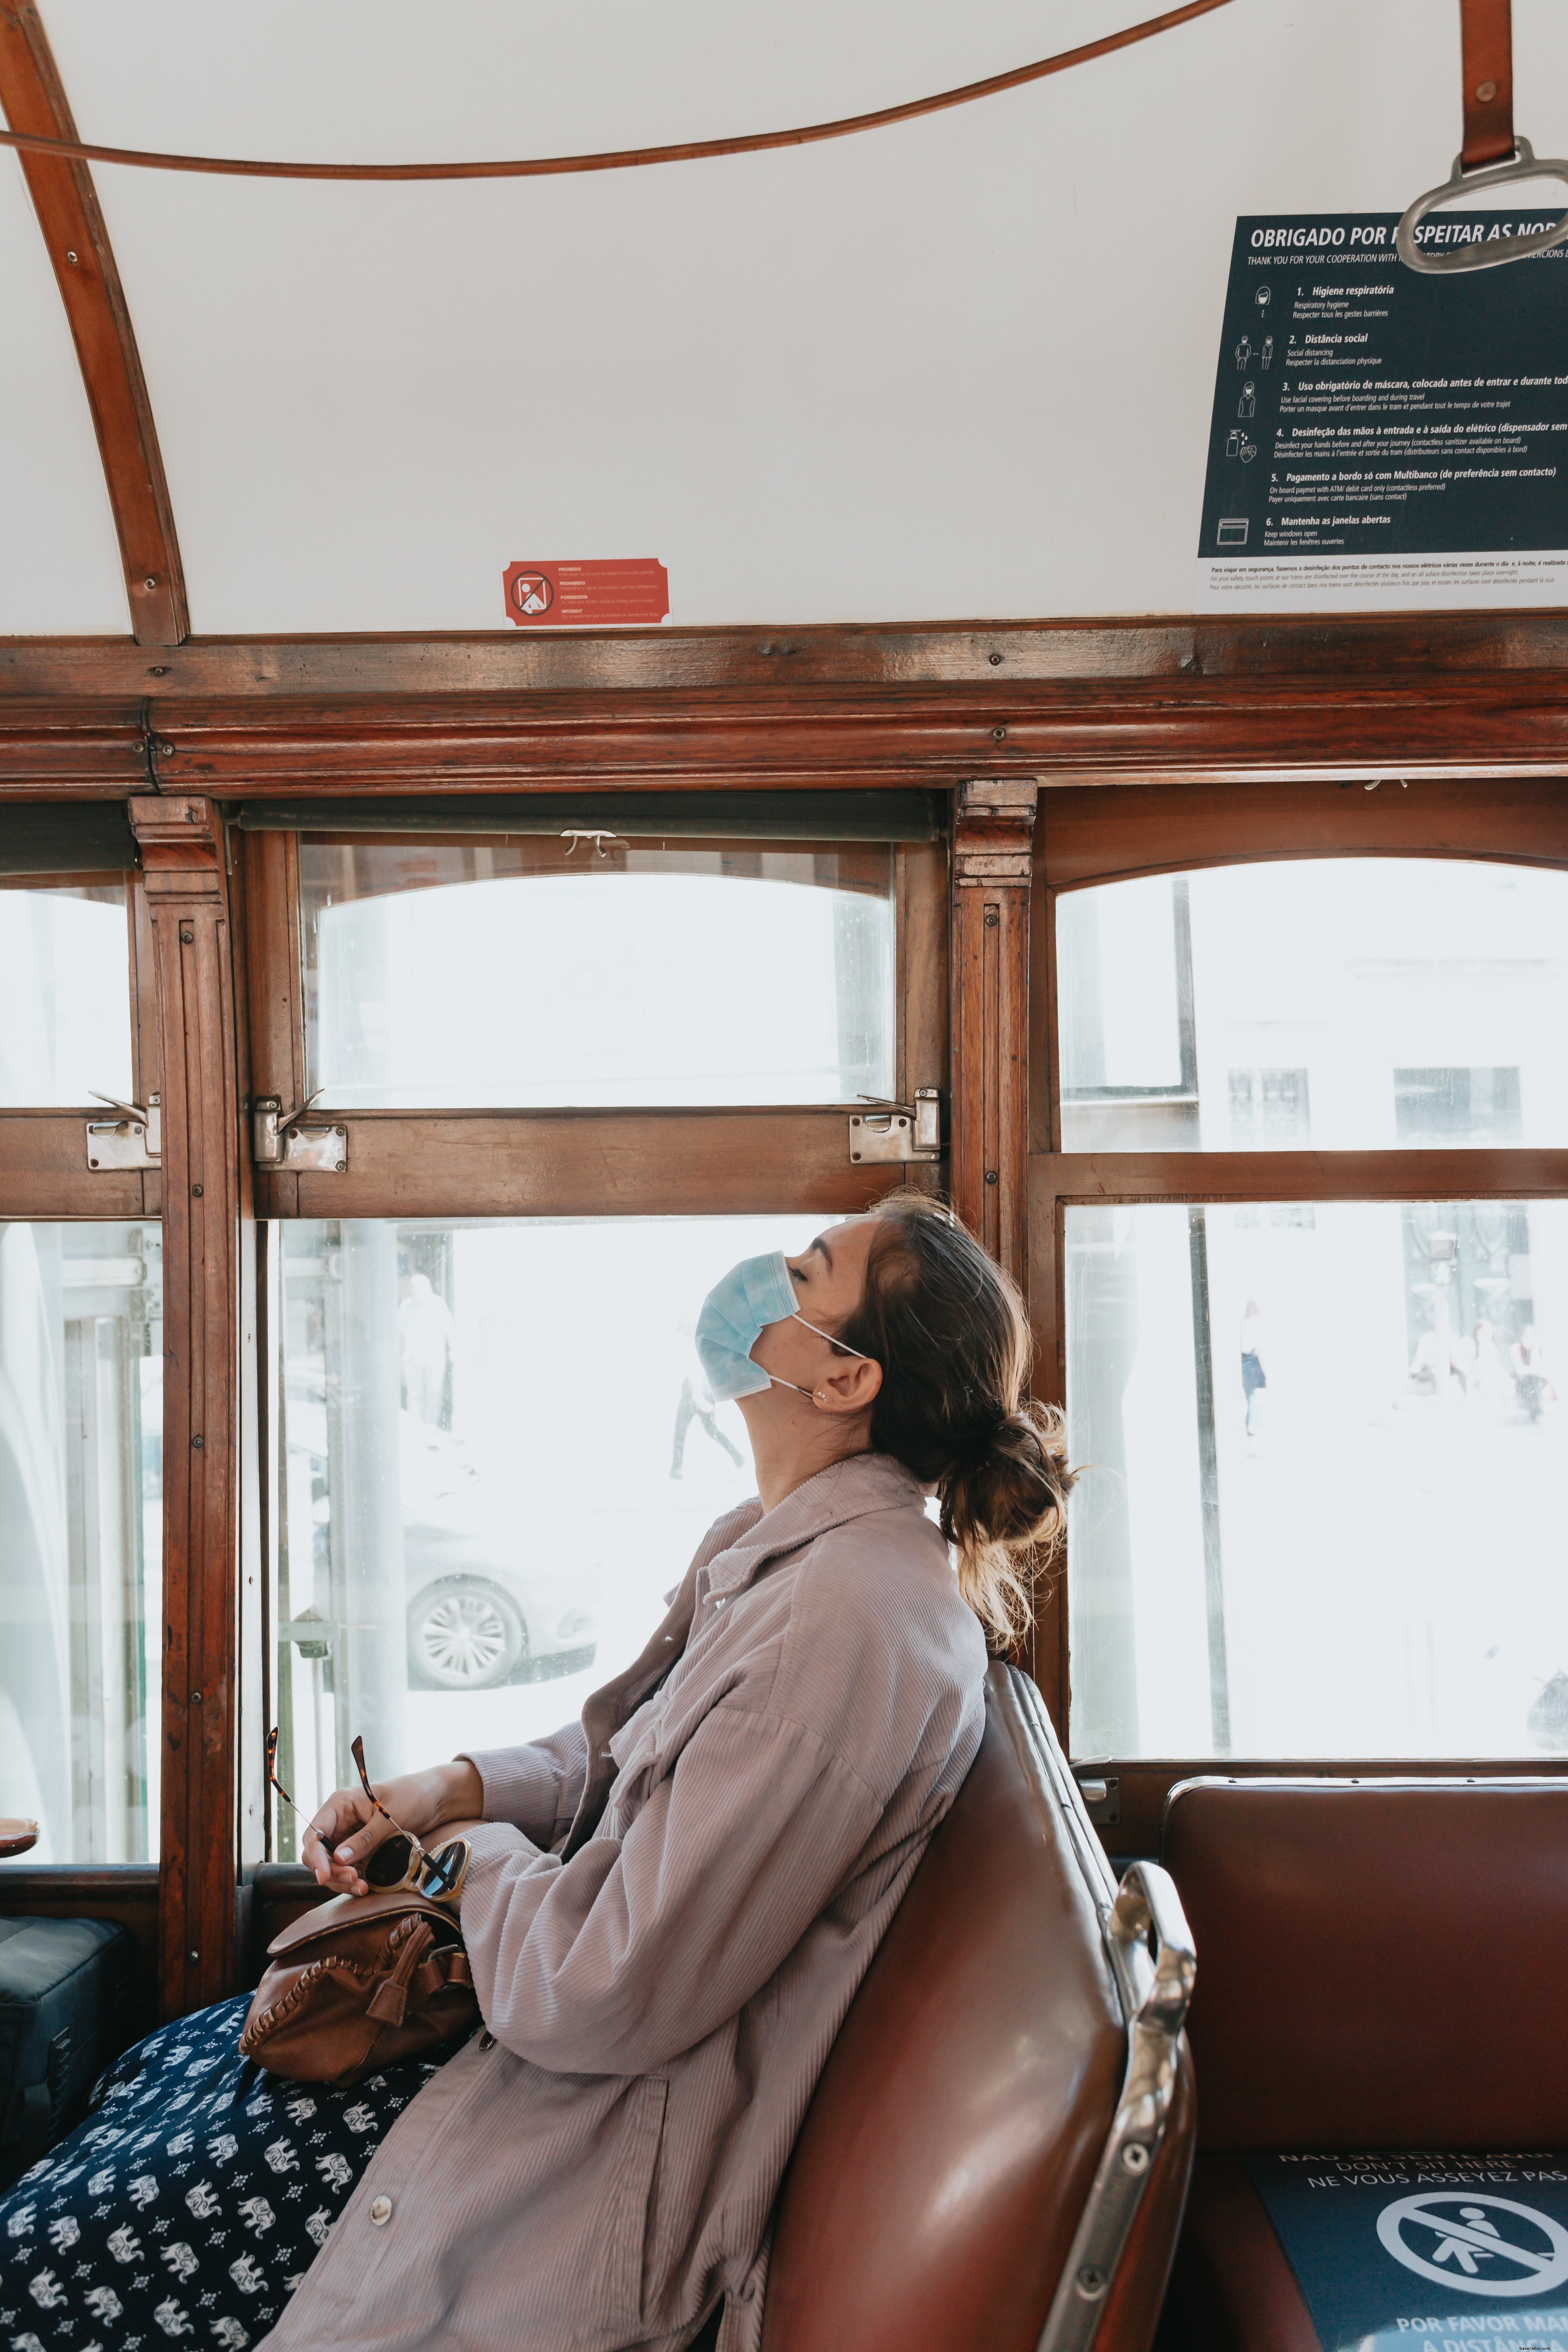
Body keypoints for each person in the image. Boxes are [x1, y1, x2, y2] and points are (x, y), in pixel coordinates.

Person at [0, 1197, 1074, 2352]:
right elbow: (636, 1750)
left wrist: (461, 1861)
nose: (760, 1274)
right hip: (516, 2059)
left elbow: (599, 1985)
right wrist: (455, 1787)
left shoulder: (848, 1621)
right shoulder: (773, 1546)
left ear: (845, 1380)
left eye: (803, 1273)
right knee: (158, 2073)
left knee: (46, 2258)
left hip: (571, 2146)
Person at [669, 1314, 744, 1478]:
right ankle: (738, 1457)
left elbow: (696, 1374)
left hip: (694, 1394)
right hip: (703, 1394)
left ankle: (676, 1470)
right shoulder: (701, 1345)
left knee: (681, 1432)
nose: (680, 1333)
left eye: (682, 1330)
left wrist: (698, 1397)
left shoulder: (692, 1347)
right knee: (712, 1431)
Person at [1511, 1323, 1556, 1423]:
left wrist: (1535, 1349)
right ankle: (1535, 1411)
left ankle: (1536, 1412)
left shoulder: (1539, 1349)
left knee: (1533, 1380)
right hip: (1522, 1383)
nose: (1528, 1340)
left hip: (1538, 1383)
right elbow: (1520, 1371)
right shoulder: (1516, 1349)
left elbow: (1541, 1370)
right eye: (1526, 1337)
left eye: (1531, 1337)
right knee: (1530, 1379)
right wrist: (1533, 1370)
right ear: (1521, 1337)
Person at [1240, 1299, 1267, 1436]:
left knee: (1250, 1397)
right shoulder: (1257, 1323)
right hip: (1253, 1361)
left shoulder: (1242, 1324)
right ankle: (1253, 1428)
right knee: (1254, 1397)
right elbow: (1259, 1349)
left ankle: (1250, 1429)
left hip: (1244, 1362)